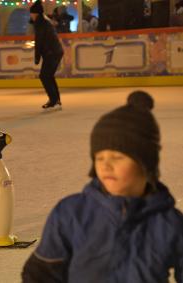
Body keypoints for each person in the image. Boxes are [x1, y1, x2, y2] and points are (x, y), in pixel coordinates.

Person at [22, 91, 183, 283]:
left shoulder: (169, 223)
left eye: (117, 157)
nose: (105, 166)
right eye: (99, 158)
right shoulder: (71, 213)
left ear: (145, 162)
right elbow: (41, 275)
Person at [30, 0, 64, 111]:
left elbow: (39, 41)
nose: (31, 16)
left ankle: (53, 100)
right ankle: (56, 99)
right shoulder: (44, 21)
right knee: (48, 75)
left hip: (52, 53)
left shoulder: (41, 23)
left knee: (44, 76)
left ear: (36, 14)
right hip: (54, 52)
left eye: (32, 14)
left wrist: (37, 57)